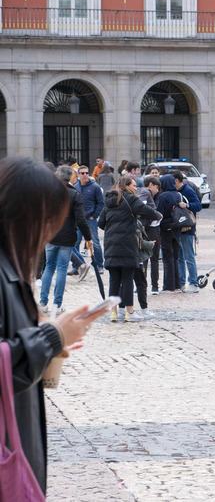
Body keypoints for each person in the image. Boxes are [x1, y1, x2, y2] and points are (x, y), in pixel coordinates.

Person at [0, 157, 100, 495]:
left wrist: (51, 341)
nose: (48, 233)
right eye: (45, 221)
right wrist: (51, 336)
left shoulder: (11, 266)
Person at [98, 174, 161, 322]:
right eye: (134, 185)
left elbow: (101, 223)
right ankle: (130, 313)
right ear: (126, 186)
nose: (136, 188)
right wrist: (158, 215)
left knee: (114, 280)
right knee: (127, 279)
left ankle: (113, 313)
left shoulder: (109, 200)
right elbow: (147, 211)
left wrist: (113, 227)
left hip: (111, 246)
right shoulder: (130, 199)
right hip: (127, 245)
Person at [40, 165, 93, 316]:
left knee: (49, 267)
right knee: (62, 269)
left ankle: (43, 302)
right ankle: (57, 304)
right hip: (67, 236)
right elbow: (81, 220)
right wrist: (88, 238)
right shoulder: (74, 194)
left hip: (51, 235)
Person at [172, 171, 202, 292]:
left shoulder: (188, 190)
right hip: (178, 228)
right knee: (179, 257)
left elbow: (198, 205)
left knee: (189, 257)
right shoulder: (174, 192)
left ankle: (194, 283)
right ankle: (181, 282)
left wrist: (187, 205)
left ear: (176, 180)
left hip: (188, 228)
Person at [74, 165, 106, 271]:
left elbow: (101, 203)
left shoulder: (95, 187)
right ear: (78, 175)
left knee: (95, 243)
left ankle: (99, 265)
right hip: (78, 220)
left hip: (90, 220)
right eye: (82, 173)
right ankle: (78, 266)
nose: (85, 175)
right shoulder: (75, 187)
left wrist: (94, 216)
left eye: (87, 173)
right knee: (75, 243)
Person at [156, 174, 182, 293]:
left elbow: (159, 213)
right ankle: (177, 285)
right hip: (177, 228)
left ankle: (169, 285)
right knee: (175, 257)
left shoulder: (163, 196)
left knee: (167, 257)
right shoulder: (178, 195)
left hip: (166, 228)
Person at [140, 175, 162, 301]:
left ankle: (147, 286)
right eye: (156, 187)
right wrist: (156, 214)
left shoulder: (145, 193)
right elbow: (142, 207)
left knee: (147, 259)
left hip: (149, 228)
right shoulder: (146, 192)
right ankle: (152, 286)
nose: (157, 190)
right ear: (150, 185)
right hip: (151, 229)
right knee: (151, 258)